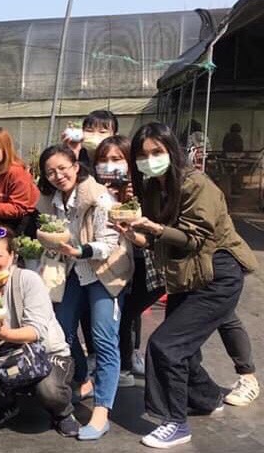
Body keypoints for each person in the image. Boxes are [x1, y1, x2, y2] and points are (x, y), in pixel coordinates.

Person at [115, 123, 258, 449]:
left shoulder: (197, 184)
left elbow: (193, 239)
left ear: (171, 151)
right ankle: (207, 399)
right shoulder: (153, 187)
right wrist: (131, 232)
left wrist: (151, 226)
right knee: (185, 349)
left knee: (166, 346)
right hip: (186, 275)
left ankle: (175, 422)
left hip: (216, 274)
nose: (149, 159)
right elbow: (156, 241)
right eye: (142, 154)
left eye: (156, 152)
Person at [36, 145, 133, 440]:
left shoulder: (99, 198)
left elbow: (109, 243)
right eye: (50, 171)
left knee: (104, 339)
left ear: (76, 166)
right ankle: (82, 379)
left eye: (63, 168)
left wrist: (80, 250)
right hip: (74, 272)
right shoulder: (53, 201)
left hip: (106, 272)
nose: (57, 175)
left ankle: (102, 411)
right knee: (61, 331)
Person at [0, 225, 80, 437]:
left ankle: (63, 412)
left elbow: (35, 332)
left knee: (50, 392)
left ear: (12, 256)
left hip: (46, 352)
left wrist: (3, 334)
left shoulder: (28, 280)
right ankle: (8, 405)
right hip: (5, 355)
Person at [93, 136, 163, 386]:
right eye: (103, 160)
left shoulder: (144, 189)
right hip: (112, 265)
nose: (109, 166)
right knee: (120, 312)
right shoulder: (97, 191)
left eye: (116, 159)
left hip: (144, 263)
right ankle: (122, 361)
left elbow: (155, 227)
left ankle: (126, 360)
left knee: (127, 312)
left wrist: (133, 203)